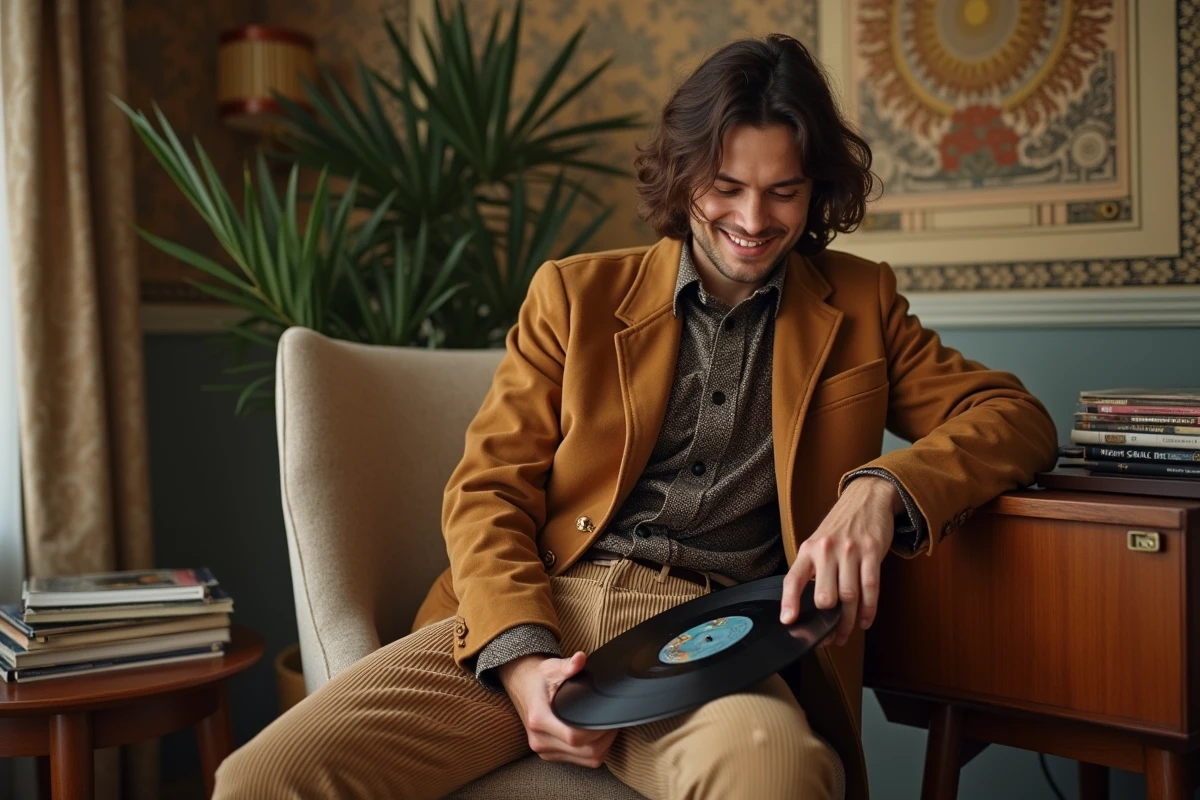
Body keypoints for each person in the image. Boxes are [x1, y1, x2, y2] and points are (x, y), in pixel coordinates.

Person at [214, 34, 1057, 800]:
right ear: (686, 175)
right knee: (258, 778)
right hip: (538, 603)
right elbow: (486, 494)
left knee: (778, 775)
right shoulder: (574, 296)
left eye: (783, 192)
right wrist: (524, 664)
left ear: (816, 192)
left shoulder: (864, 303)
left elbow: (1012, 415)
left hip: (715, 636)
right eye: (726, 188)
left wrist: (881, 489)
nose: (753, 222)